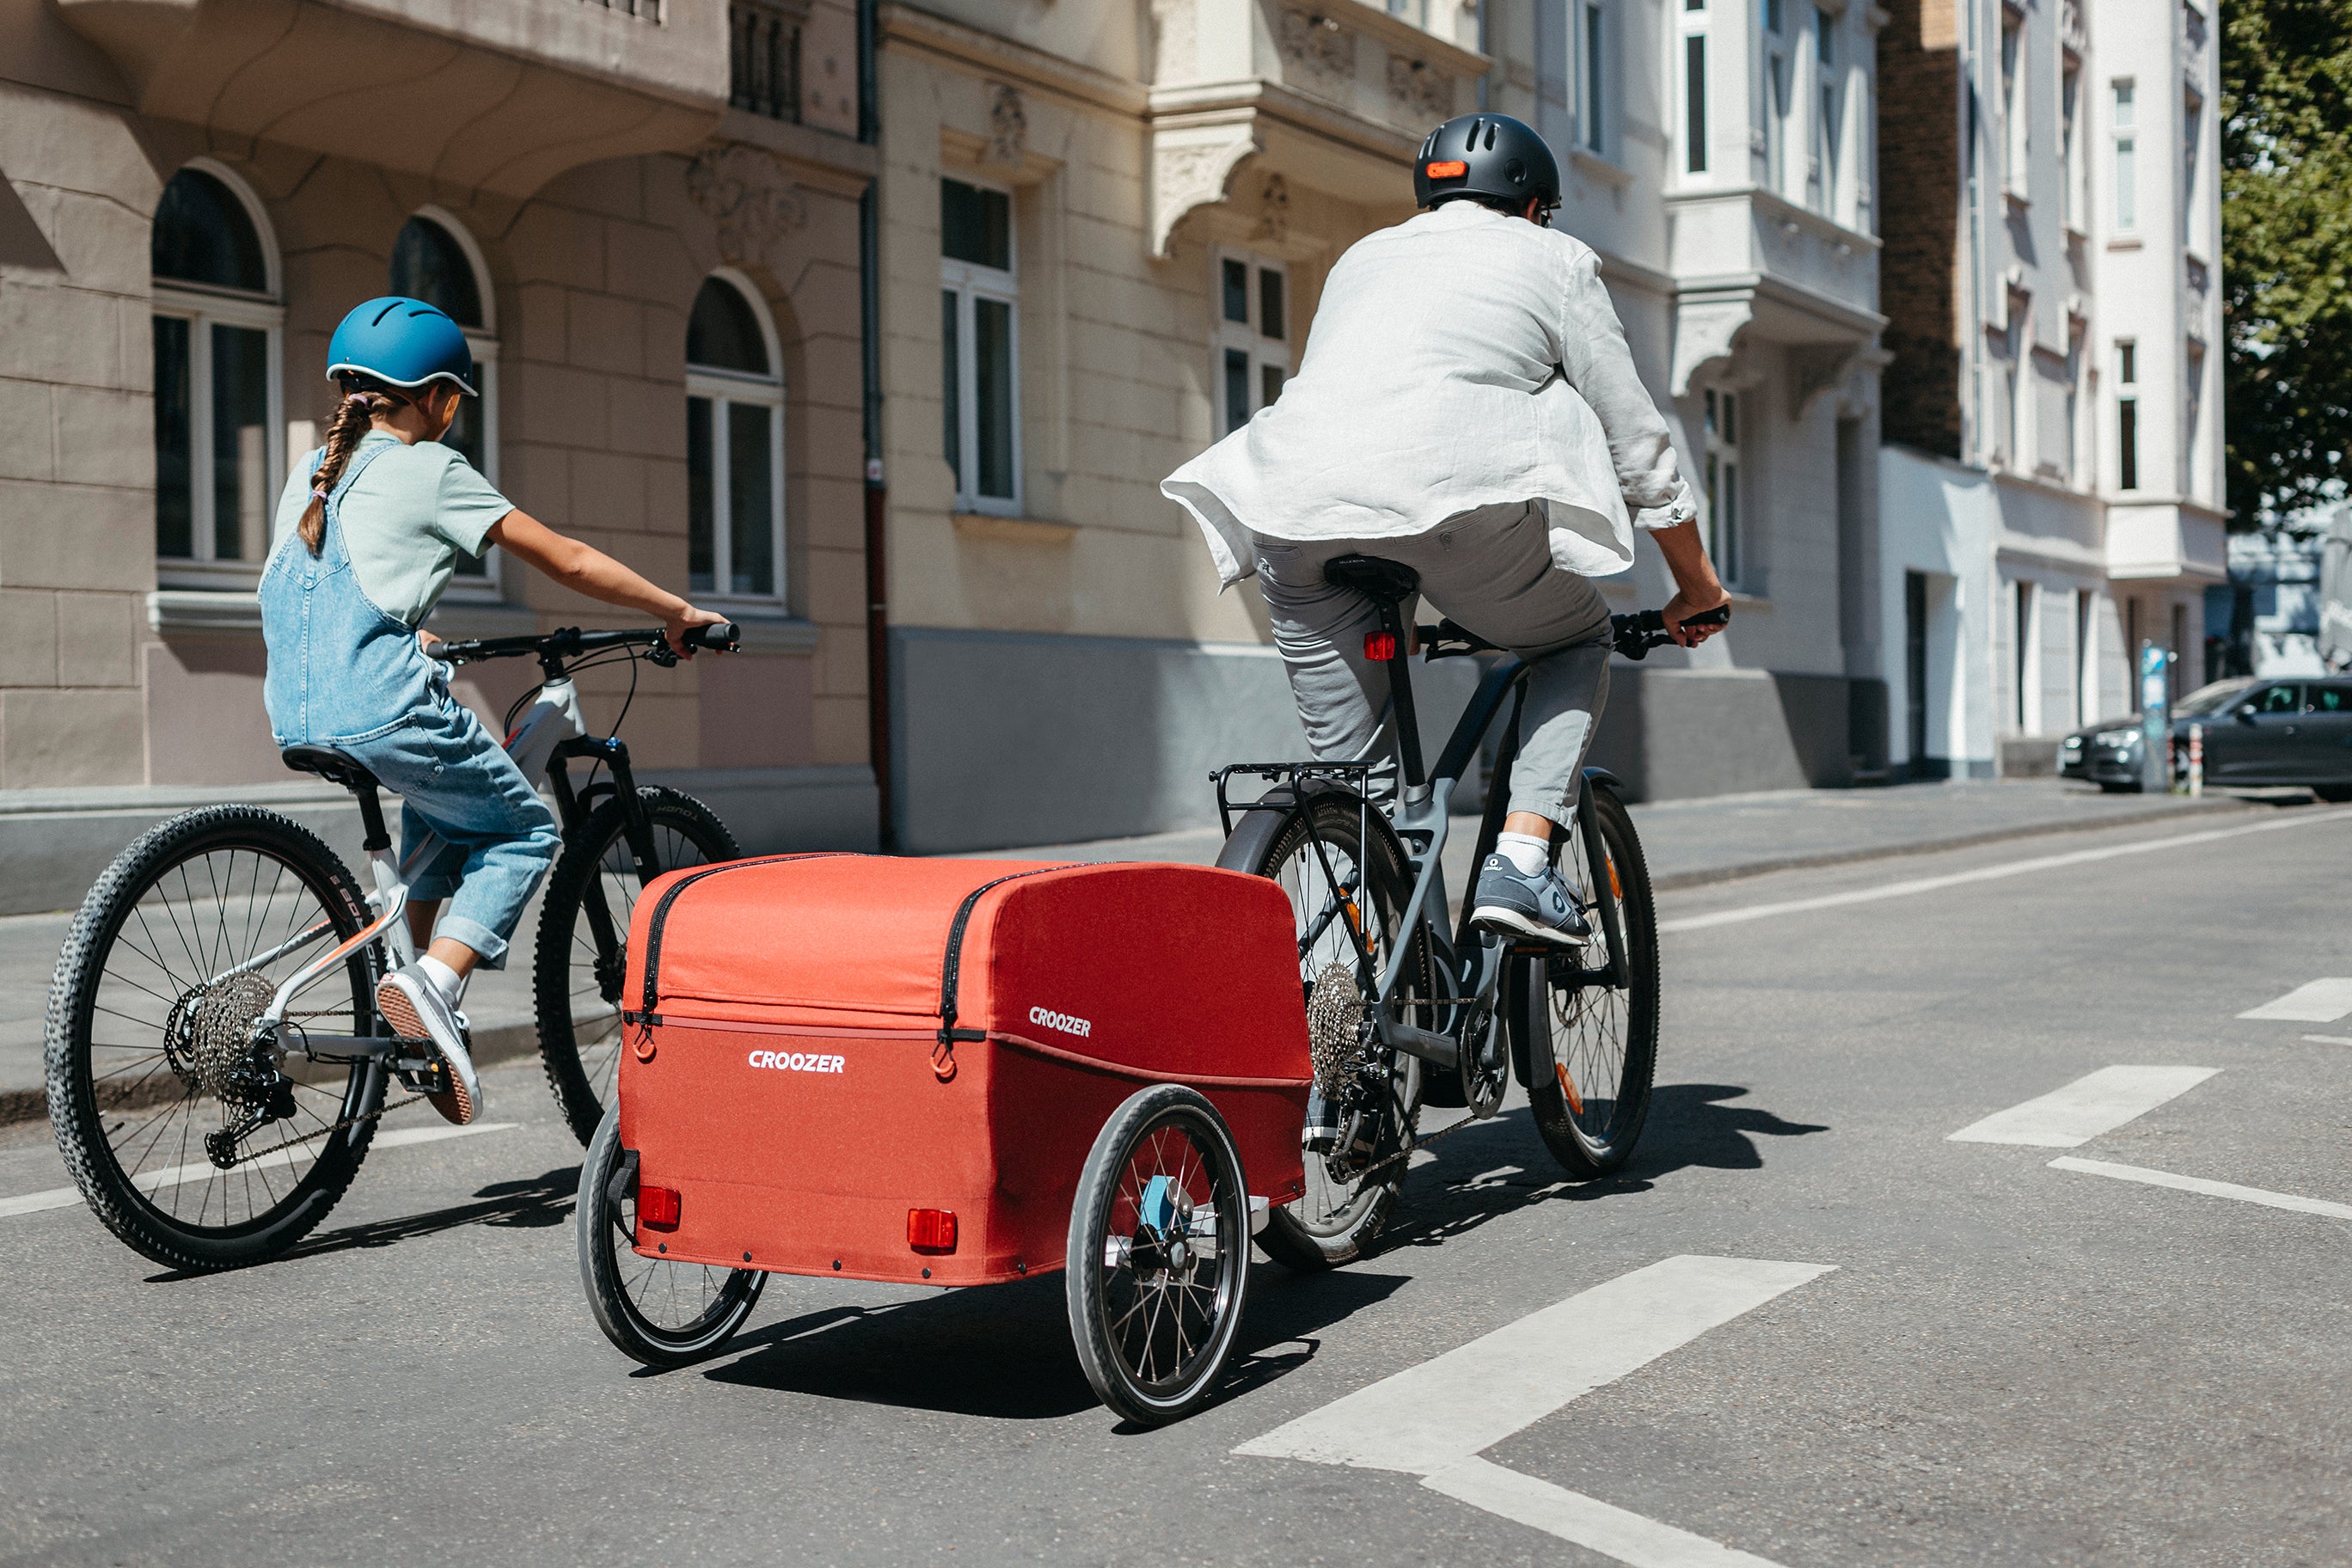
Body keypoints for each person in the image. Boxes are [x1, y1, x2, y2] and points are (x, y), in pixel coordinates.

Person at [1162, 113, 1730, 946]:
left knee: (1363, 803)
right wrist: (1696, 583)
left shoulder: (1364, 257)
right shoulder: (1556, 260)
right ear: (1535, 206)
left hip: (1291, 518)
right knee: (1572, 645)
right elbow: (1637, 443)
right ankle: (1525, 863)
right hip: (1456, 510)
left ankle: (1367, 1004)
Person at [260, 297, 726, 1124]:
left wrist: (414, 631)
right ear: (438, 397)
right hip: (376, 707)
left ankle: (406, 1006)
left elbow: (319, 594)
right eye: (455, 401)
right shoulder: (434, 469)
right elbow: (569, 560)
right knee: (526, 830)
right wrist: (673, 612)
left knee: (444, 817)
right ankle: (434, 985)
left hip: (297, 709)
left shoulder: (312, 471)